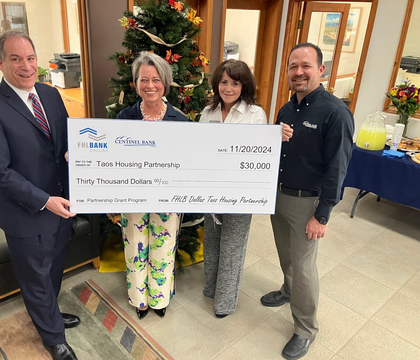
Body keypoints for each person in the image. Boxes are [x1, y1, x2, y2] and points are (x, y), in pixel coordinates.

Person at [0, 30, 79, 360]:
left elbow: (65, 140)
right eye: (16, 59)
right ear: (0, 63)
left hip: (63, 205)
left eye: (30, 58)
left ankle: (50, 317)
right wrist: (45, 200)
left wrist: (79, 154)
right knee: (35, 279)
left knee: (54, 269)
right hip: (26, 212)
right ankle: (53, 339)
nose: (26, 66)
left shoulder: (50, 94)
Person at [261, 43, 354, 360]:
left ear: (321, 70)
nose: (298, 72)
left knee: (303, 268)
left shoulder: (335, 112)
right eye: (292, 66)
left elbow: (337, 168)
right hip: (279, 196)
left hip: (307, 204)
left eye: (305, 66)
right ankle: (287, 292)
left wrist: (322, 215)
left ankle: (305, 329)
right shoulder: (286, 109)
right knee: (286, 254)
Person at [199, 60, 292, 318]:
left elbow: (261, 152)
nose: (228, 88)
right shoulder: (208, 112)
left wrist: (276, 135)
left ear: (244, 86)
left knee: (232, 247)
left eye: (235, 83)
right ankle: (211, 287)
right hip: (211, 189)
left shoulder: (254, 114)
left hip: (241, 193)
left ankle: (225, 303)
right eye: (224, 82)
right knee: (213, 242)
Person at [117, 51, 188, 320]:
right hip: (133, 197)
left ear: (165, 83)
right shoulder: (125, 117)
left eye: (156, 79)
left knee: (163, 248)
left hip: (168, 198)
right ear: (135, 83)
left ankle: (159, 300)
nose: (150, 85)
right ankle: (139, 300)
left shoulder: (179, 120)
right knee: (135, 246)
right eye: (143, 79)